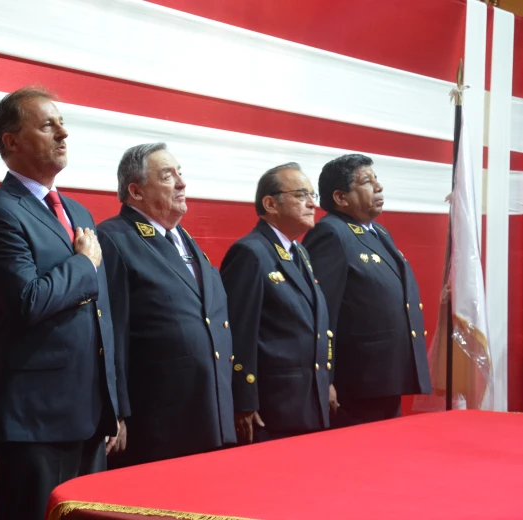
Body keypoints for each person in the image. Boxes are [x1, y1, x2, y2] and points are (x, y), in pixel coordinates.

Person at [0, 87, 119, 520]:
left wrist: (114, 403)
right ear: (11, 141)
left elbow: (101, 317)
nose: (63, 133)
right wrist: (85, 265)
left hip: (91, 414)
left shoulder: (78, 212)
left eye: (62, 124)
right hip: (36, 419)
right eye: (48, 125)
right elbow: (28, 301)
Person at [97, 142, 235, 467]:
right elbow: (111, 333)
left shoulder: (183, 239)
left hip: (208, 409)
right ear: (136, 190)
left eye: (180, 174)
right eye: (167, 176)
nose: (181, 183)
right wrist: (115, 410)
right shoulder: (116, 239)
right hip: (158, 418)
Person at [302, 153, 432, 426]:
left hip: (384, 378)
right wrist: (326, 378)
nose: (379, 187)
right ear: (340, 197)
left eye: (377, 180)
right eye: (367, 182)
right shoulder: (331, 234)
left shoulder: (378, 233)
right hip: (356, 383)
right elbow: (322, 313)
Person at [221, 163, 335, 443]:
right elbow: (238, 331)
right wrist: (243, 399)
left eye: (313, 195)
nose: (313, 204)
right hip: (274, 406)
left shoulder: (299, 252)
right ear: (271, 203)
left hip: (307, 396)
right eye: (301, 195)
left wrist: (326, 381)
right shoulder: (251, 252)